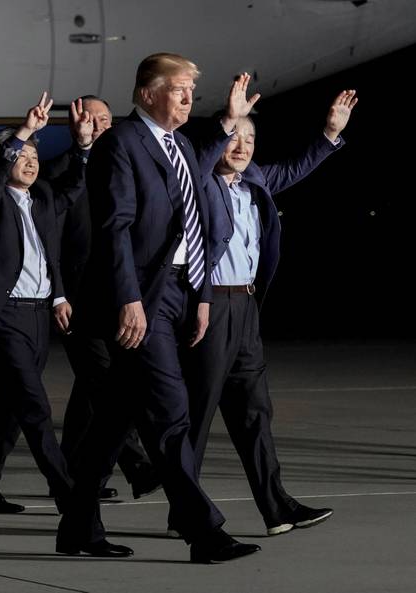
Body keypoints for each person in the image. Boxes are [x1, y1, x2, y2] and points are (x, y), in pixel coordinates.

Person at [57, 54, 261, 562]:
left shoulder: (180, 144)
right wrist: (129, 299)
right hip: (140, 296)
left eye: (193, 89)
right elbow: (115, 229)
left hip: (176, 291)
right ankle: (203, 533)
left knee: (113, 421)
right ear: (147, 93)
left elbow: (193, 186)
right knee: (171, 414)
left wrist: (201, 296)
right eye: (179, 89)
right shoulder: (121, 144)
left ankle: (78, 527)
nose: (189, 98)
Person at [183, 89, 358, 536]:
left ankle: (276, 508)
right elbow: (196, 167)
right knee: (197, 415)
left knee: (255, 413)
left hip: (245, 305)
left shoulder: (254, 180)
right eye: (234, 137)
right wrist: (227, 118)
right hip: (210, 304)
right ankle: (184, 510)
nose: (241, 147)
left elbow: (295, 168)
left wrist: (330, 133)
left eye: (249, 139)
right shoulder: (199, 183)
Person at [0, 92, 102, 523]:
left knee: (9, 407)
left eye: (33, 155)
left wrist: (81, 148)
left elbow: (73, 187)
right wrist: (24, 131)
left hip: (40, 314)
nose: (30, 161)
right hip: (3, 315)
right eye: (21, 155)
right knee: (35, 406)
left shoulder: (41, 197)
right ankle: (70, 496)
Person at [42, 95, 161, 502]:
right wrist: (82, 148)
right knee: (104, 382)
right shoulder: (62, 167)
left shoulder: (131, 166)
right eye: (89, 119)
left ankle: (77, 471)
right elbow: (50, 231)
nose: (98, 125)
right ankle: (138, 466)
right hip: (77, 296)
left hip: (123, 292)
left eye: (106, 119)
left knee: (94, 389)